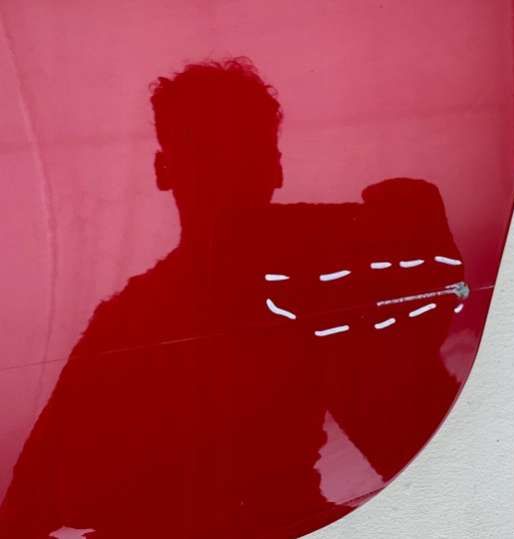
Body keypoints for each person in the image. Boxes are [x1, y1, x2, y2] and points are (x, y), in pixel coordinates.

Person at [0, 58, 463, 538]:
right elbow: (26, 506)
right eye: (207, 152)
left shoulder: (309, 290)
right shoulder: (125, 320)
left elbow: (416, 446)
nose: (226, 173)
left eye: (243, 153)